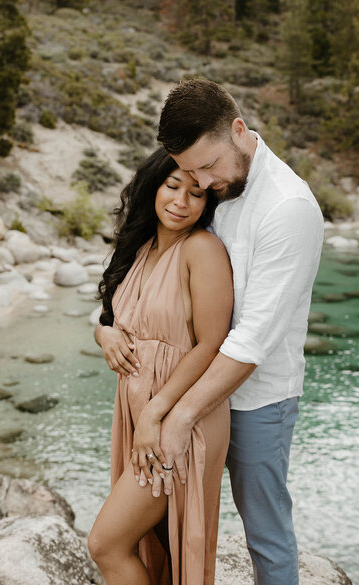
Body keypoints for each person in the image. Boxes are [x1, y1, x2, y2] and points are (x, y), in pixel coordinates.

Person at [133, 79, 325, 585]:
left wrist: (179, 416)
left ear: (239, 130)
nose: (202, 182)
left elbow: (252, 339)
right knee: (167, 523)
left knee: (264, 530)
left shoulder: (288, 208)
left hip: (257, 400)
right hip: (188, 389)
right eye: (190, 171)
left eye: (208, 166)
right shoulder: (217, 184)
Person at [88, 147, 234, 585]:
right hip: (138, 413)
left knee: (107, 544)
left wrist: (156, 414)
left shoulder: (202, 250)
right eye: (172, 186)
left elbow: (211, 344)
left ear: (208, 204)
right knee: (156, 546)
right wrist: (103, 333)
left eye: (196, 194)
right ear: (154, 186)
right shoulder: (140, 246)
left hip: (178, 419)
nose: (181, 202)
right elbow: (114, 317)